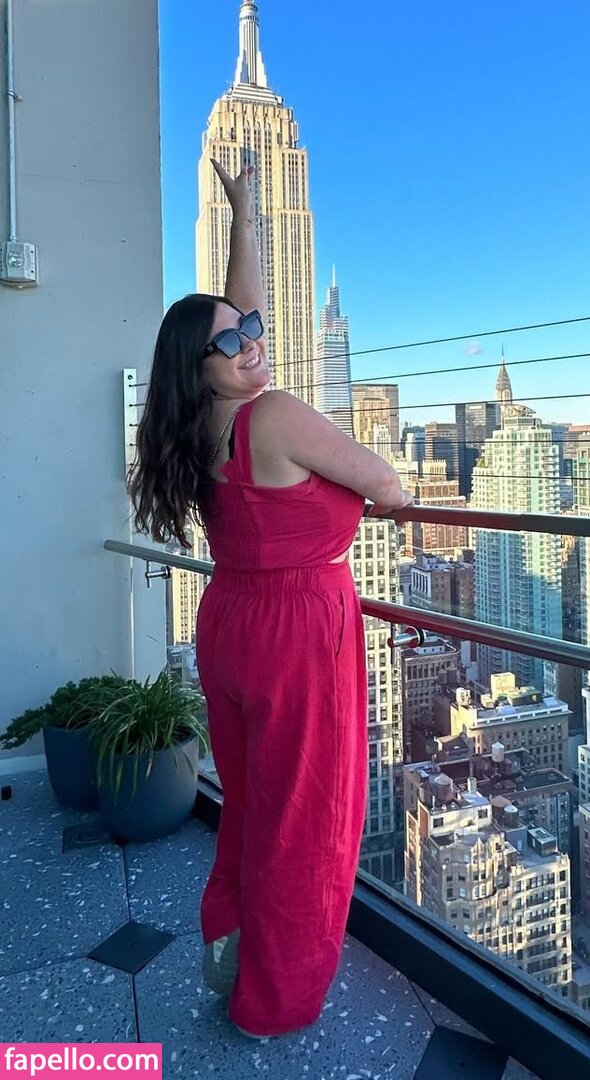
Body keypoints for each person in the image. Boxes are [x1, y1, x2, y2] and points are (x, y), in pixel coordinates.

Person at [129, 160, 413, 1040]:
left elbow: (232, 321)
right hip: (298, 634)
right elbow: (391, 486)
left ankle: (233, 944)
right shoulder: (277, 413)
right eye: (235, 341)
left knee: (254, 803)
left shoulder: (199, 423)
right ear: (202, 366)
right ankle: (273, 1003)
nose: (254, 341)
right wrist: (376, 491)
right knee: (308, 820)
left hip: (233, 622)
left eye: (253, 329)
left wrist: (246, 214)